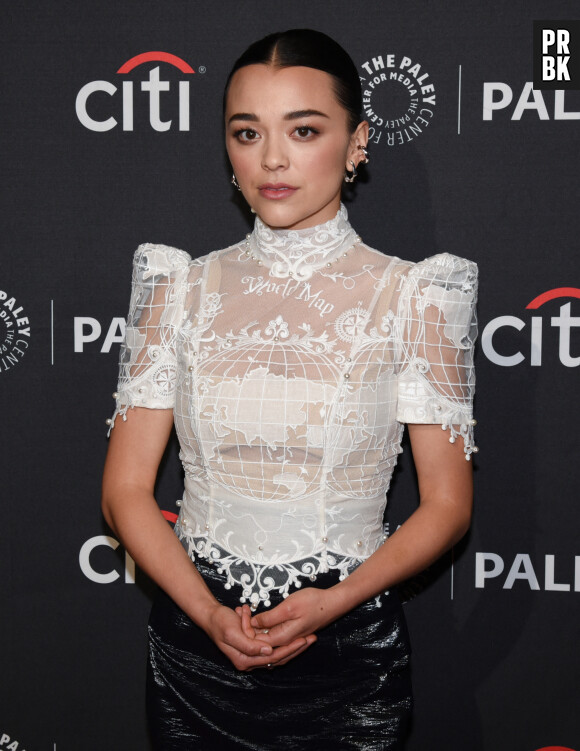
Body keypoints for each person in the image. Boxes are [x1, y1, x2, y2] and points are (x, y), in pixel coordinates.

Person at [102, 28, 478, 750]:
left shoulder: (415, 296)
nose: (272, 158)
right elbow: (123, 491)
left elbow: (448, 505)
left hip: (346, 653)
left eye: (303, 130)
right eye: (248, 132)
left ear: (357, 140)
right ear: (227, 147)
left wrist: (333, 603)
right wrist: (208, 614)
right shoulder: (175, 288)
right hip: (194, 648)